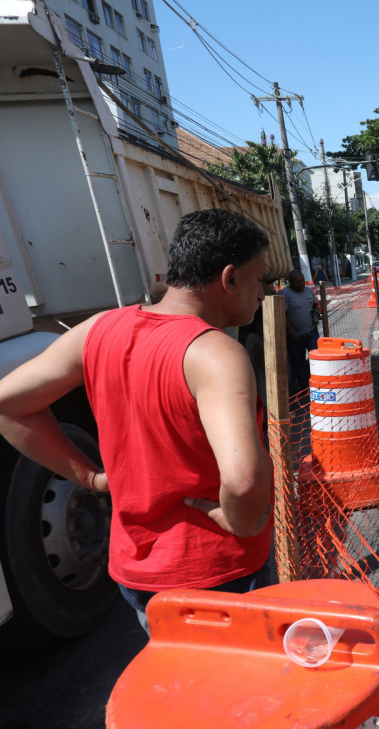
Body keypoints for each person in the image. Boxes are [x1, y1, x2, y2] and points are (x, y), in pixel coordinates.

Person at [0, 208, 275, 633]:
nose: (261, 295)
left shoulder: (97, 331)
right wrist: (242, 522)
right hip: (219, 577)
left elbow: (8, 404)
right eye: (258, 281)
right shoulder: (216, 353)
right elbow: (243, 481)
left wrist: (90, 478)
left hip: (139, 575)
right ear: (230, 278)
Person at [280, 269, 320, 392]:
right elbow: (283, 315)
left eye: (302, 281)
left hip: (311, 332)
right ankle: (304, 387)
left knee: (317, 358)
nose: (301, 284)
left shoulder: (308, 291)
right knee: (299, 362)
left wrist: (315, 314)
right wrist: (292, 332)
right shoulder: (285, 294)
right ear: (291, 283)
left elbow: (314, 304)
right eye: (297, 282)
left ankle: (319, 382)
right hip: (295, 335)